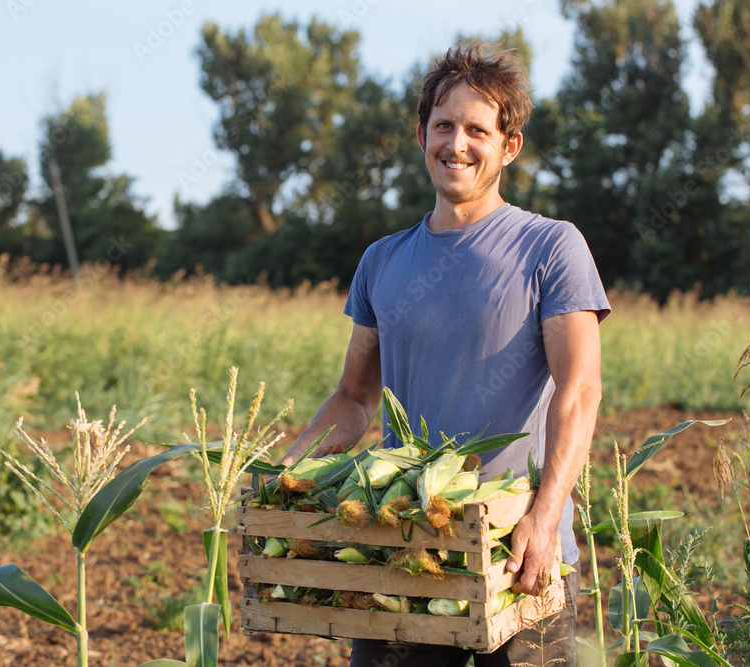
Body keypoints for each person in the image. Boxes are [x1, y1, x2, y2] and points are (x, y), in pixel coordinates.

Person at [279, 42, 610, 666]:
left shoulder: (551, 248)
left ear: (508, 147)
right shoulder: (382, 261)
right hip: (406, 547)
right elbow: (354, 398)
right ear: (422, 134)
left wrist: (544, 518)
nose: (457, 143)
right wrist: (288, 473)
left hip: (514, 552)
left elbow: (580, 391)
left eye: (478, 130)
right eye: (444, 126)